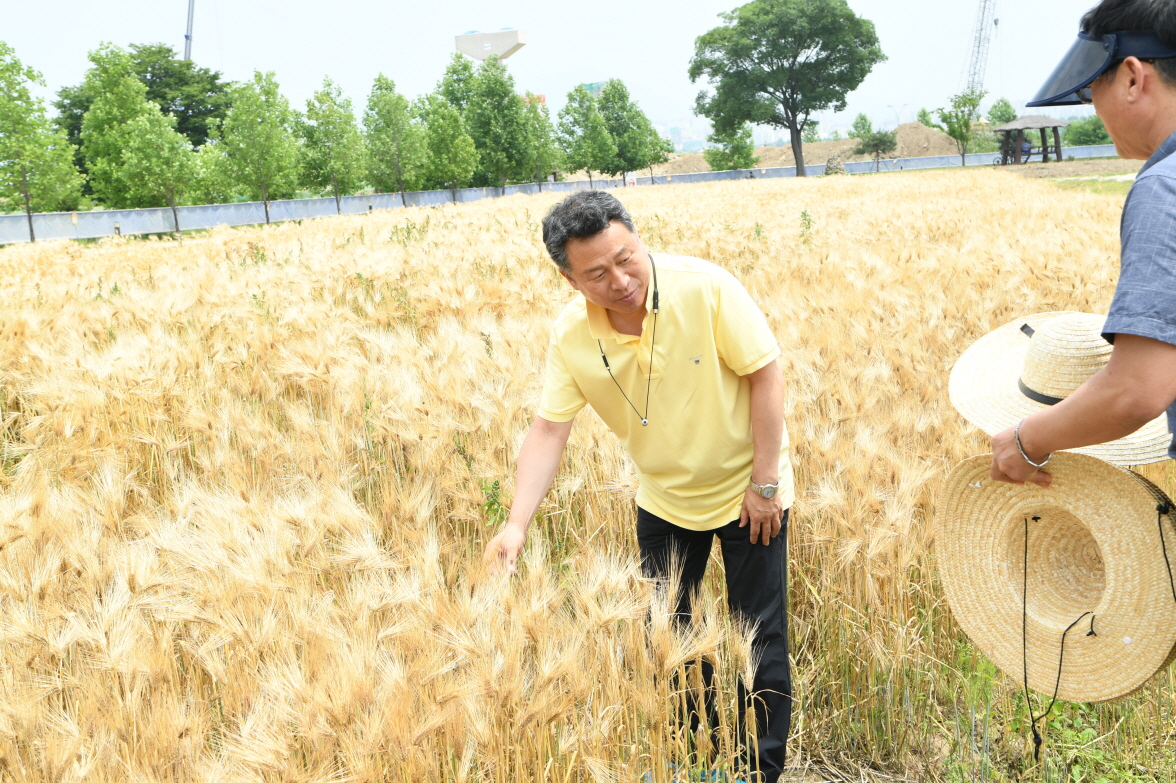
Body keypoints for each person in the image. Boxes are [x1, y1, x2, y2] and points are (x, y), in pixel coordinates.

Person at [483, 190, 794, 782]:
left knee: (758, 635)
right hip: (664, 499)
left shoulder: (706, 288)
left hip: (748, 492)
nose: (621, 280)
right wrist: (516, 523)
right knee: (669, 637)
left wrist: (766, 481)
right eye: (597, 273)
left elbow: (765, 375)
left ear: (639, 239)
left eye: (627, 257)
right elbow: (549, 429)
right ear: (570, 280)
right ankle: (698, 762)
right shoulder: (572, 335)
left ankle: (759, 772)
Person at [991, 0, 1176, 485]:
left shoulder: (1165, 187)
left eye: (1095, 88)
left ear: (1133, 77)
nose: (1094, 107)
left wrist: (1025, 440)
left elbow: (1138, 390)